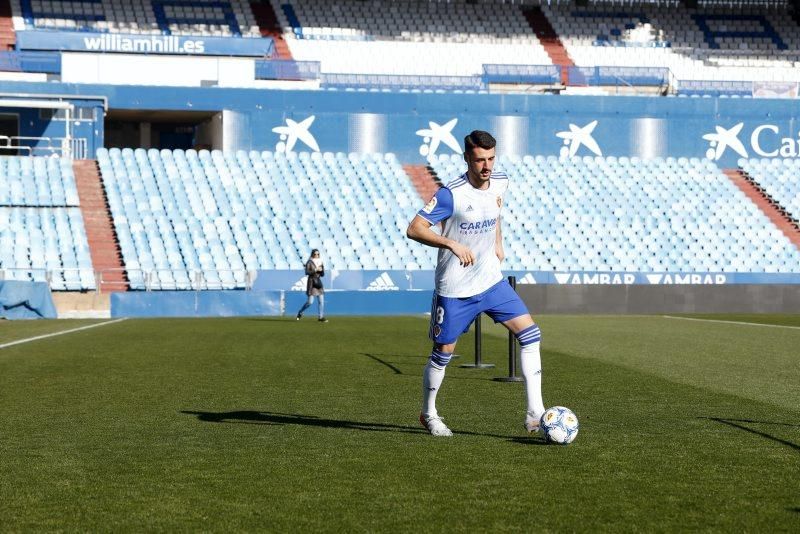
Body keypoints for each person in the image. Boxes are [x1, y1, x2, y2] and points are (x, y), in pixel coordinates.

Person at [406, 130, 545, 437]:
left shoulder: (501, 181)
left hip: (490, 280)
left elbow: (495, 213)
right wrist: (450, 244)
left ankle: (535, 413)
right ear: (467, 158)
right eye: (480, 160)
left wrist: (498, 242)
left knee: (531, 334)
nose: (487, 166)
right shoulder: (450, 195)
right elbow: (414, 229)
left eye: (491, 158)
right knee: (443, 351)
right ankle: (429, 413)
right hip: (455, 288)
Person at [296, 249, 328, 322]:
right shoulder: (309, 262)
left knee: (321, 301)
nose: (317, 255)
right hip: (312, 283)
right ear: (312, 254)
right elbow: (307, 272)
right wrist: (316, 269)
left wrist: (321, 270)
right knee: (310, 302)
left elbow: (323, 274)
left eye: (318, 254)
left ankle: (321, 317)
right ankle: (300, 312)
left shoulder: (321, 262)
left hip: (318, 282)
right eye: (315, 254)